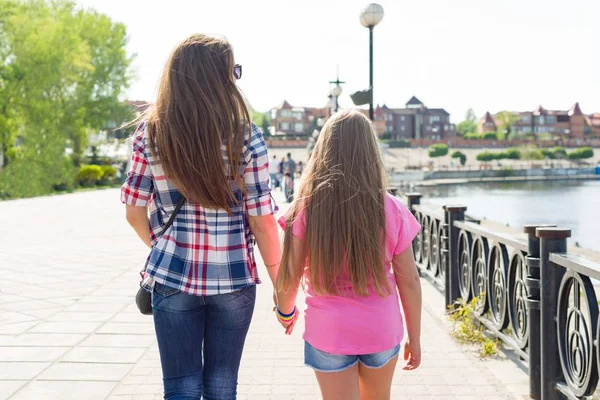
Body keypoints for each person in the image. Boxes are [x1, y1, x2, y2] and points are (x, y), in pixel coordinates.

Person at [121, 33, 281, 400]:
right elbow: (263, 221)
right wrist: (282, 289)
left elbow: (133, 212)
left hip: (172, 276)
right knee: (222, 386)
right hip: (234, 277)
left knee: (180, 387)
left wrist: (166, 246)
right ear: (222, 78)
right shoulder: (247, 137)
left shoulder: (152, 133)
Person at [275, 110, 422, 400]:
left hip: (329, 331)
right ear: (371, 152)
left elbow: (289, 276)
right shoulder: (391, 209)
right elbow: (410, 281)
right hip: (380, 328)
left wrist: (285, 311)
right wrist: (414, 339)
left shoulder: (305, 209)